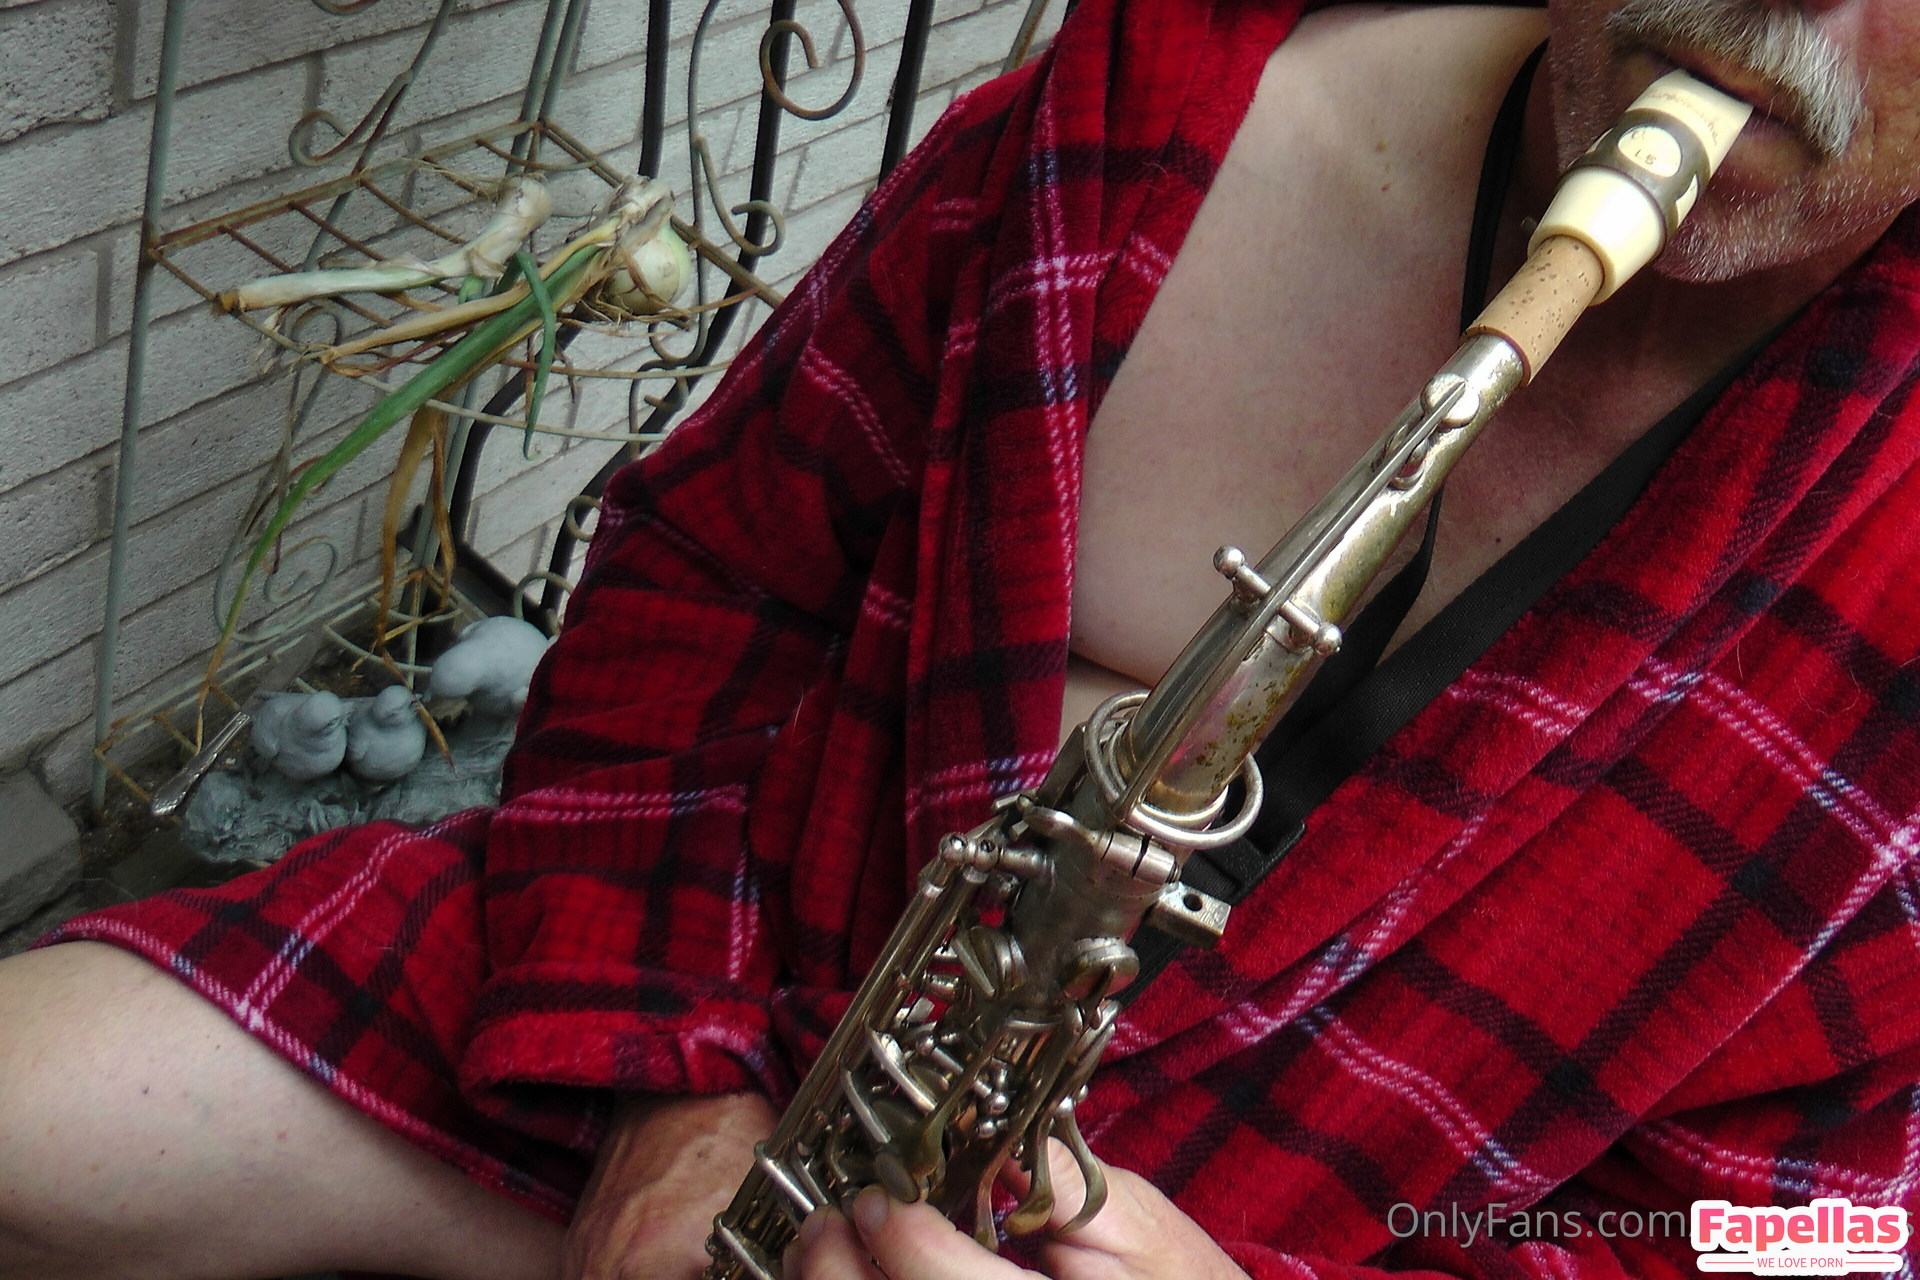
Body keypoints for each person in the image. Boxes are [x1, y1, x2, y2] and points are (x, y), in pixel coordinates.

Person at [4, 0, 1919, 1275]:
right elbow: (704, 585)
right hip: (729, 995)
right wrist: (670, 1103)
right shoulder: (1159, 122)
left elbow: (1828, 1241)